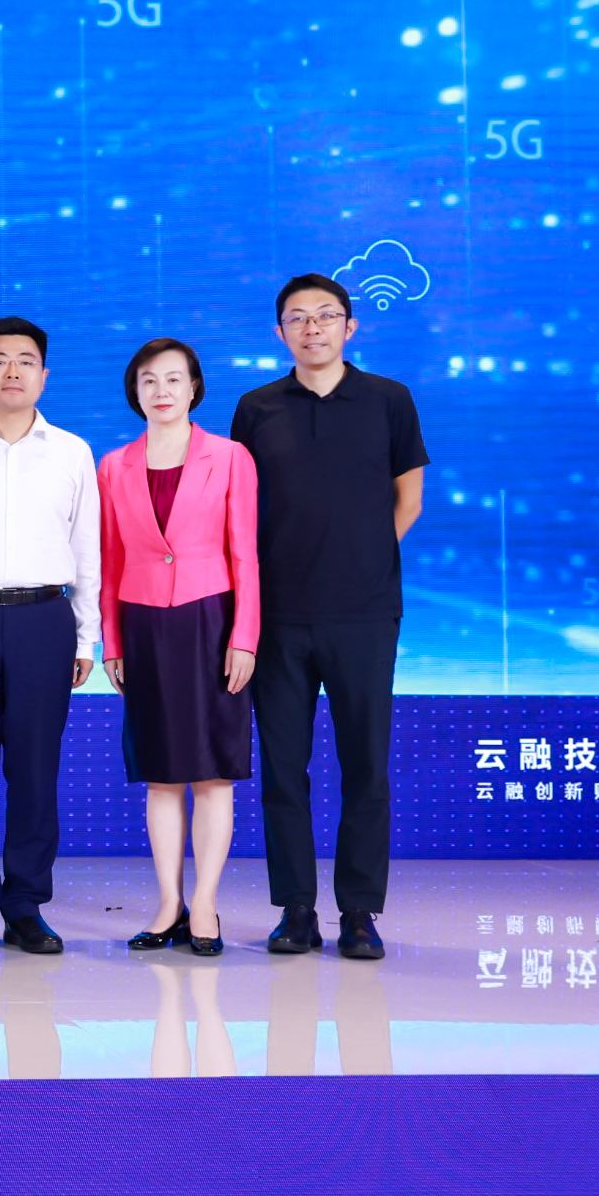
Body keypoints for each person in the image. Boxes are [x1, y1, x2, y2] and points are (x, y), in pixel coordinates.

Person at [230, 273, 428, 963]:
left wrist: (362, 559)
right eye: (297, 317)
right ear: (279, 332)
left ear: (350, 327)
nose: (311, 328)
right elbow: (240, 509)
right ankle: (296, 909)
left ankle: (360, 911)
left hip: (365, 615)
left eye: (325, 315)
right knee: (283, 768)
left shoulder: (388, 399)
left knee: (365, 765)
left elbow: (409, 498)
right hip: (279, 615)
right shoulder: (257, 407)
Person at [0, 315, 99, 957]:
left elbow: (87, 549)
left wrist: (85, 638)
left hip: (43, 620)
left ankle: (27, 904)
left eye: (25, 360)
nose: (12, 371)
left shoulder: (72, 451)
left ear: (44, 375)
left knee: (35, 771)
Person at [98, 337, 260, 961]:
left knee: (213, 773)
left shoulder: (230, 457)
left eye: (173, 378)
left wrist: (244, 636)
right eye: (148, 380)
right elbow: (110, 560)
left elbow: (245, 554)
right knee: (161, 775)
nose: (161, 390)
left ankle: (207, 903)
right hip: (142, 624)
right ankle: (169, 904)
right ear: (134, 392)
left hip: (211, 620)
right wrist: (112, 640)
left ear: (194, 387)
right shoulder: (114, 466)